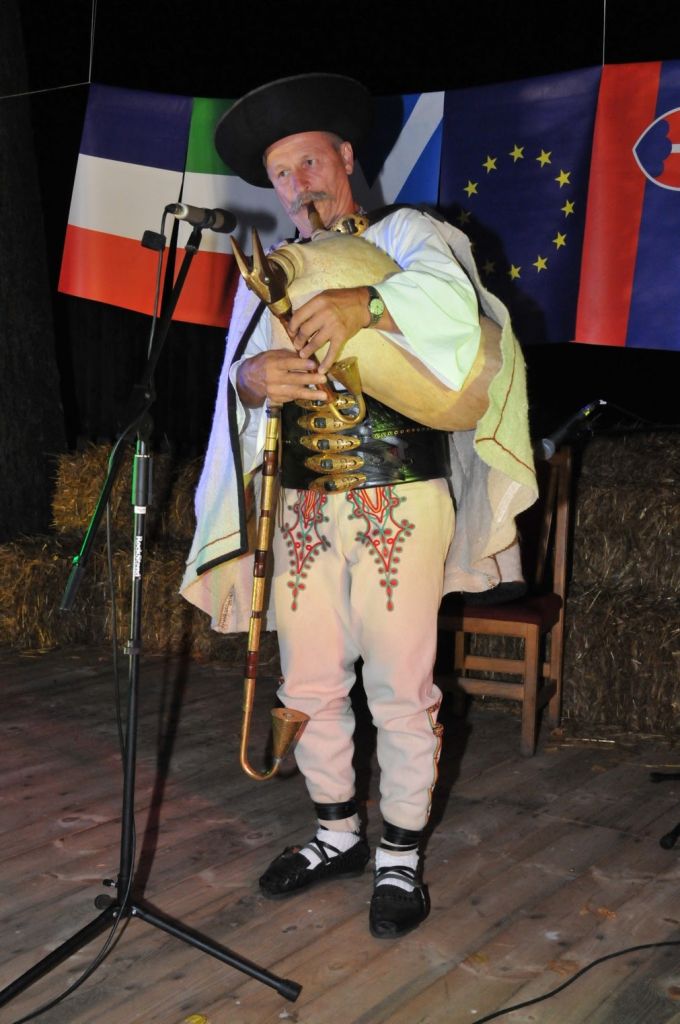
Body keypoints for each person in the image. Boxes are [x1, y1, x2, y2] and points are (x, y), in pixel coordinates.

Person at [181, 73, 537, 938]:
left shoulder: (410, 233)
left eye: (309, 161)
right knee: (308, 681)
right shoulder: (267, 270)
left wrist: (367, 301)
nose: (297, 184)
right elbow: (236, 381)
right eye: (281, 173)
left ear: (345, 157)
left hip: (400, 497)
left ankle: (400, 854)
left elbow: (460, 315)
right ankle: (337, 833)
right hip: (301, 507)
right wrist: (250, 378)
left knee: (399, 685)